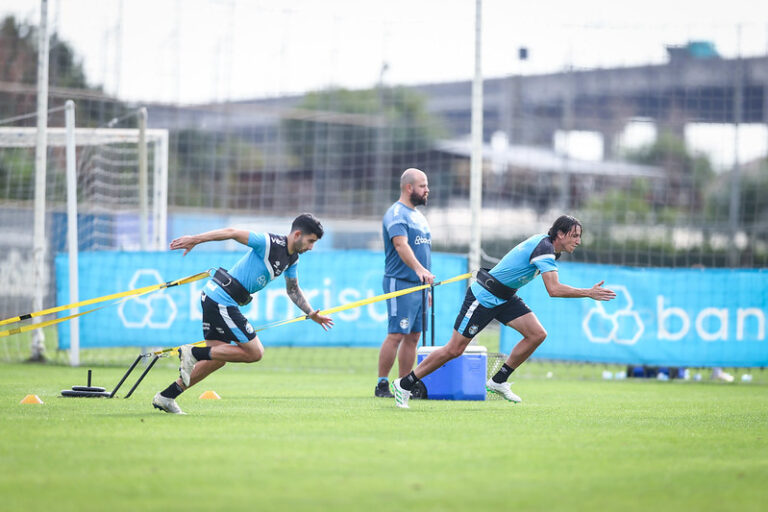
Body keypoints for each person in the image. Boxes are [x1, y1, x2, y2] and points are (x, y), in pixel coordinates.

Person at [391, 215, 616, 408]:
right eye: (575, 235)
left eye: (579, 236)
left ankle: (498, 380)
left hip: (506, 297)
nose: (578, 241)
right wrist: (588, 292)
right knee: (454, 350)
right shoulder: (545, 248)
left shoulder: (549, 248)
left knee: (537, 334)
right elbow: (554, 289)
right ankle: (404, 384)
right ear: (560, 234)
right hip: (484, 297)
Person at [152, 213, 334, 414]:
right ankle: (193, 352)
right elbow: (232, 232)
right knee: (255, 352)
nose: (311, 247)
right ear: (298, 234)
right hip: (221, 299)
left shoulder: (293, 260)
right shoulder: (268, 242)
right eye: (310, 241)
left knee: (217, 359)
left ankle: (167, 396)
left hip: (217, 299)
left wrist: (311, 313)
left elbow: (292, 290)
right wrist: (196, 239)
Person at [374, 168, 435, 398]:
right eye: (423, 186)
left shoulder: (419, 217)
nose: (427, 190)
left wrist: (425, 284)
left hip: (419, 287)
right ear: (409, 188)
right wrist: (419, 270)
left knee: (414, 336)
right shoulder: (396, 214)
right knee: (396, 335)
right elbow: (401, 245)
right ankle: (381, 384)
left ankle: (404, 384)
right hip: (399, 283)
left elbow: (423, 252)